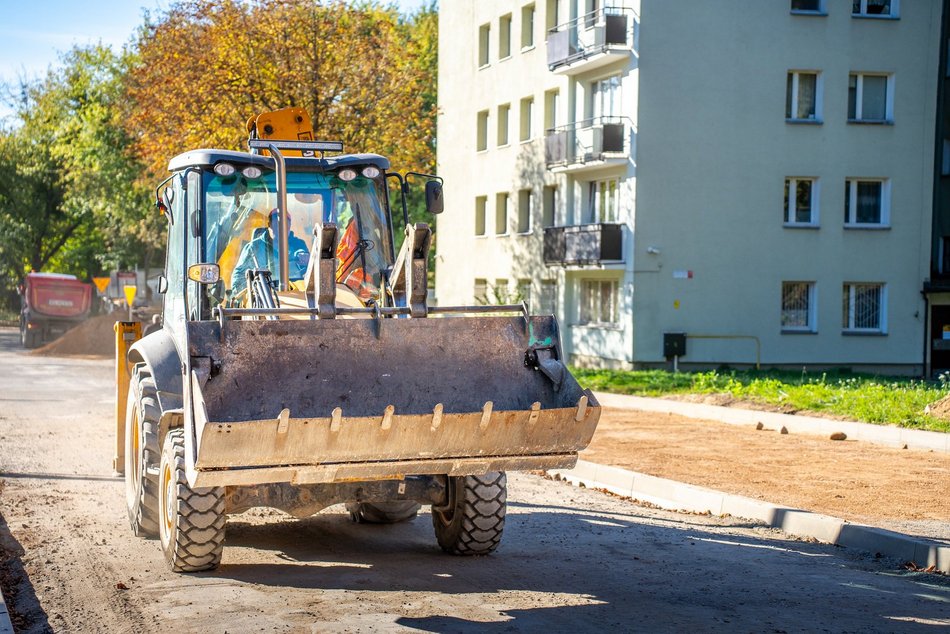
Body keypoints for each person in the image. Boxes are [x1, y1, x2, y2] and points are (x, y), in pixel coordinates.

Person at [230, 209, 310, 296]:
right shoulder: (253, 248)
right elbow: (238, 279)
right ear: (269, 225)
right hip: (263, 298)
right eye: (277, 225)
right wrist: (252, 293)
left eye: (285, 226)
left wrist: (305, 258)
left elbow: (310, 271)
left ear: (289, 227)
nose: (282, 229)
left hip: (296, 296)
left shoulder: (299, 245)